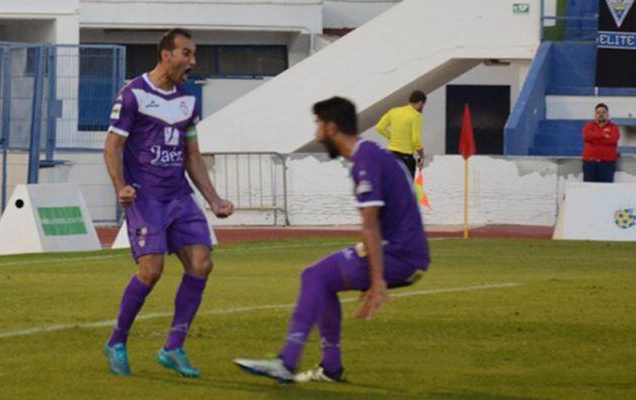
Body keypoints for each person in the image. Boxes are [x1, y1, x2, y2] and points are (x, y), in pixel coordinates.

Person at [234, 97, 430, 383]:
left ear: (331, 127)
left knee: (314, 276)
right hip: (403, 252)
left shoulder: (366, 158)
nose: (315, 133)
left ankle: (286, 362)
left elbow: (371, 224)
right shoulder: (370, 155)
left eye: (318, 125)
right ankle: (331, 367)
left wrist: (377, 281)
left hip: (402, 255)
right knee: (321, 279)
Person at [102, 28, 234, 378]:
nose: (193, 61)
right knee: (152, 270)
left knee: (202, 264)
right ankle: (117, 341)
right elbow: (112, 146)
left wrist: (214, 198)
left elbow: (192, 155)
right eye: (187, 53)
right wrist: (120, 187)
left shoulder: (188, 100)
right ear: (166, 55)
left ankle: (173, 347)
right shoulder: (133, 94)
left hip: (179, 196)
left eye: (193, 54)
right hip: (146, 197)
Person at [375, 90, 427, 178]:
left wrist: (392, 137)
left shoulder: (394, 111)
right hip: (405, 158)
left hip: (390, 156)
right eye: (423, 105)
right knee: (406, 188)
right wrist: (422, 156)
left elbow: (379, 127)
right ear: (421, 102)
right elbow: (416, 140)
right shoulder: (416, 116)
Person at [582, 103, 619, 183]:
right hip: (590, 163)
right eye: (598, 112)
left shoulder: (614, 127)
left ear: (608, 114)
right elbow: (587, 137)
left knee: (605, 190)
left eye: (603, 112)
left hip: (607, 164)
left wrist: (594, 139)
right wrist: (604, 135)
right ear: (595, 114)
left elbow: (613, 139)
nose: (601, 114)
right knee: (589, 189)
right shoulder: (588, 126)